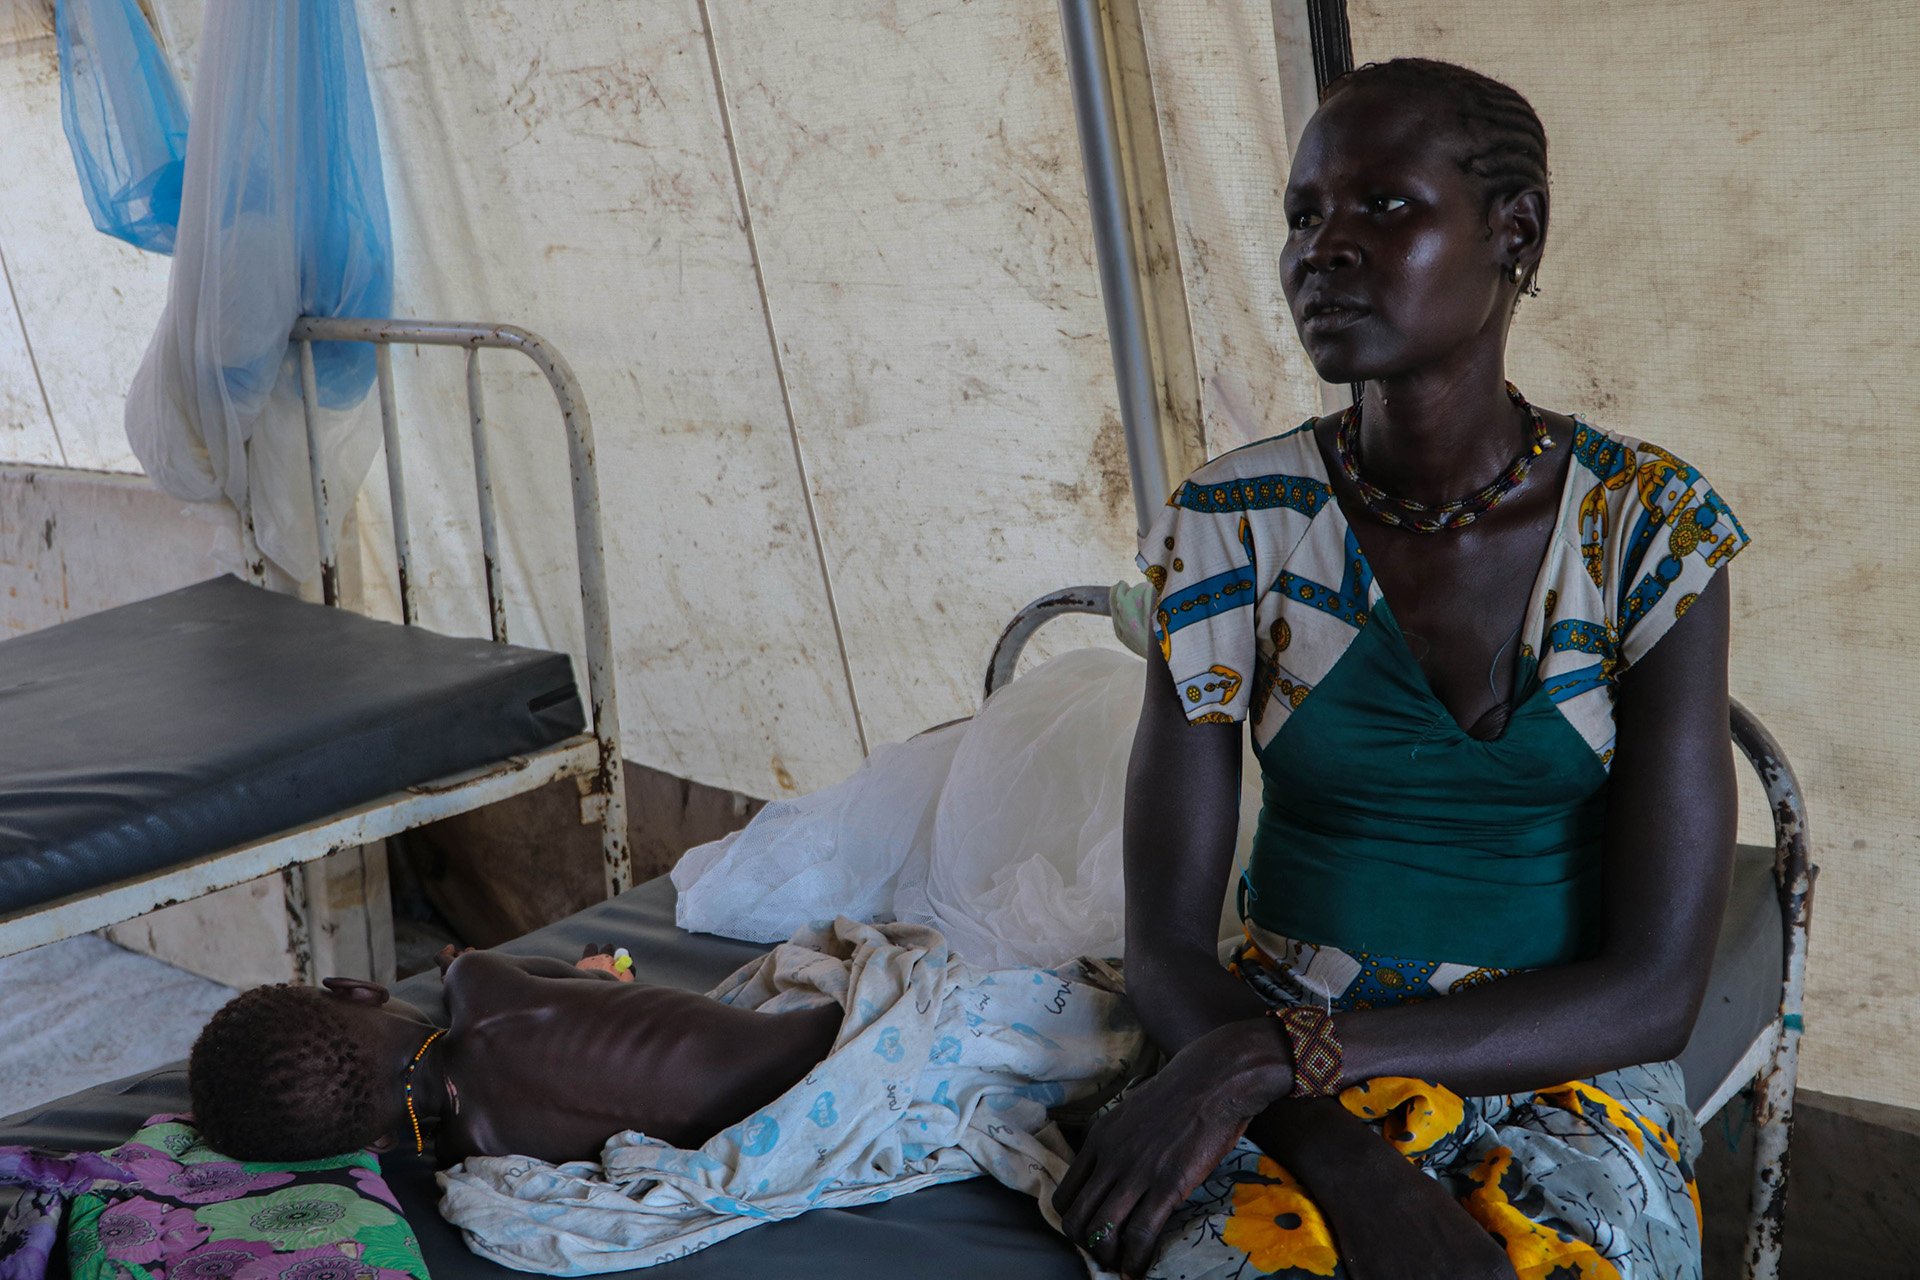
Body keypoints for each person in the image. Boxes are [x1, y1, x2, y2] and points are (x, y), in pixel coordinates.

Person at [1052, 58, 1743, 1280]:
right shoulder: (1231, 522)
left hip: (1556, 1055)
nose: (1324, 248)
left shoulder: (1650, 527)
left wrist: (1279, 1055)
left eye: (1384, 207)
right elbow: (1163, 943)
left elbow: (1653, 994)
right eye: (1304, 215)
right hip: (1266, 1046)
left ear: (1512, 233)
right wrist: (1332, 1141)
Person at [188, 944, 843, 1166]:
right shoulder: (477, 980)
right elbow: (594, 987)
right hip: (818, 1043)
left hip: (784, 1123)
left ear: (378, 1141)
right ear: (359, 991)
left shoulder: (473, 1152)